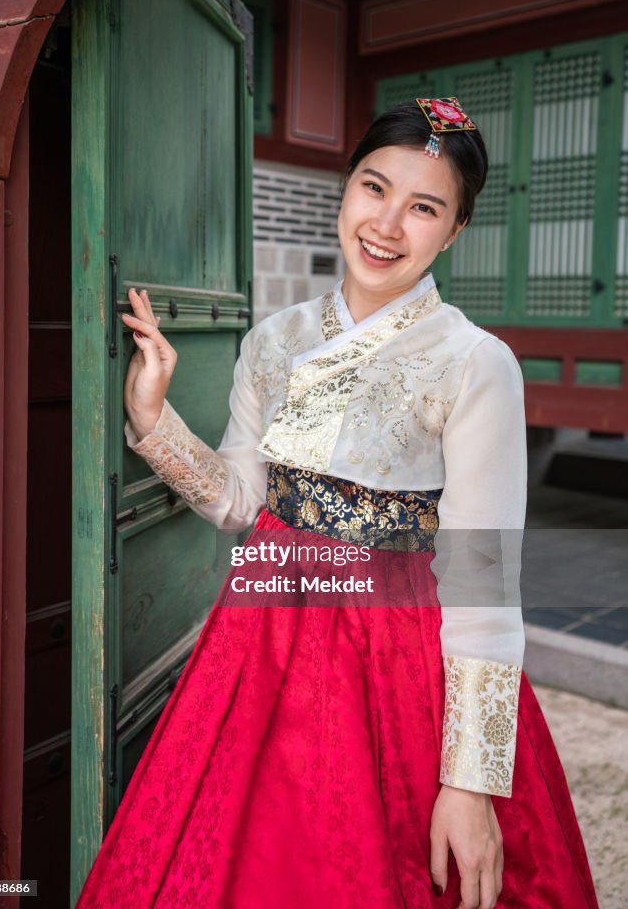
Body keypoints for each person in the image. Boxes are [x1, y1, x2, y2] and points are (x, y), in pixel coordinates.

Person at [76, 100, 599, 909]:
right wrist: (152, 416)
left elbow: (484, 582)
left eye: (423, 207)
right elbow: (239, 500)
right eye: (372, 187)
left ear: (453, 231)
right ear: (344, 188)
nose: (386, 224)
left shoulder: (473, 362)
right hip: (266, 631)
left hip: (396, 645)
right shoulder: (276, 341)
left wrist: (470, 782)